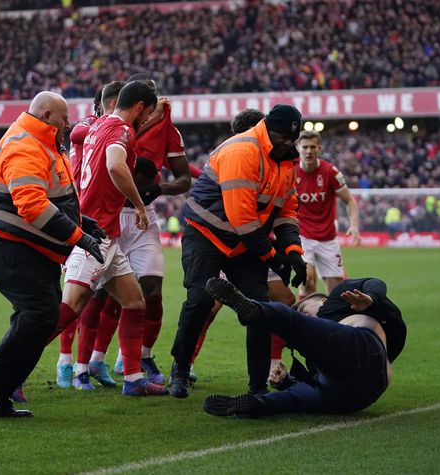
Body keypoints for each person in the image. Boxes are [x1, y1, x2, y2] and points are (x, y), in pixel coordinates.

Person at [0, 91, 104, 417]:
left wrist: (85, 222)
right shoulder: (25, 144)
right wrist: (78, 236)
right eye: (63, 118)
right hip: (13, 249)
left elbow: (54, 198)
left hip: (28, 252)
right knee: (41, 315)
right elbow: (31, 204)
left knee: (39, 319)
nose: (68, 124)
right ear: (45, 116)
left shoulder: (43, 144)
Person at [169, 104, 308, 399]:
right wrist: (274, 258)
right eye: (283, 136)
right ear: (268, 128)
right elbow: (241, 218)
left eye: (291, 139)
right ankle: (180, 370)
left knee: (260, 306)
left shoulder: (287, 159)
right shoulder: (241, 151)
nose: (288, 143)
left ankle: (257, 387)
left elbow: (286, 209)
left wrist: (293, 251)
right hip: (207, 233)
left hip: (244, 240)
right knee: (200, 300)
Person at [55, 80, 168, 396]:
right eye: (147, 112)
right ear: (138, 108)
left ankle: (132, 380)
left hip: (106, 235)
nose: (147, 119)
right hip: (94, 235)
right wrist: (140, 204)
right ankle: (9, 369)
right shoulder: (123, 130)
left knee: (134, 302)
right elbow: (116, 165)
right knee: (70, 308)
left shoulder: (98, 124)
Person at [203, 276, 406, 417]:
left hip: (362, 351)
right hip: (350, 398)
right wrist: (285, 382)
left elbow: (375, 283)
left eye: (302, 307)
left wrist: (371, 299)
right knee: (296, 396)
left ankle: (255, 310)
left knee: (289, 320)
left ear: (322, 300)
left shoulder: (338, 300)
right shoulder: (315, 352)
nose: (302, 312)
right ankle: (257, 404)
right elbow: (311, 382)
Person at [55, 80, 125, 389]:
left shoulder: (103, 130)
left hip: (104, 223)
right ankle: (66, 363)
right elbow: (77, 133)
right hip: (80, 221)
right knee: (76, 298)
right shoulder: (91, 127)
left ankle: (94, 361)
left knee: (112, 298)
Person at [295, 130, 361, 296]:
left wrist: (354, 225)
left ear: (319, 149)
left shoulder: (330, 172)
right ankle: (305, 319)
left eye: (312, 147)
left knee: (336, 293)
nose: (308, 151)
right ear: (298, 148)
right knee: (308, 279)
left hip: (328, 238)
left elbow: (350, 201)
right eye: (305, 147)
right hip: (302, 235)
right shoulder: (289, 170)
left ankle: (327, 318)